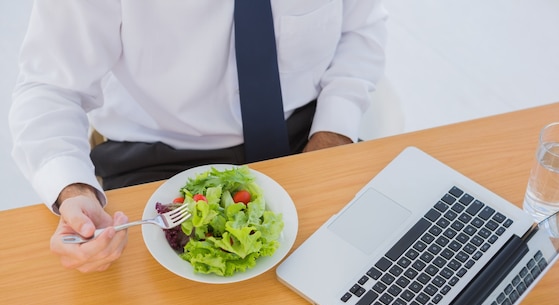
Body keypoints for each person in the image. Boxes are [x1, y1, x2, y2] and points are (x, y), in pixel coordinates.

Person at [9, 0, 388, 272]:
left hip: (304, 136)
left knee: (357, 273)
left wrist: (334, 132)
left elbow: (361, 28)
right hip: (155, 153)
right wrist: (73, 191)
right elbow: (49, 87)